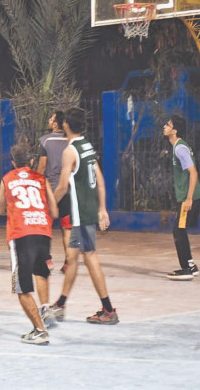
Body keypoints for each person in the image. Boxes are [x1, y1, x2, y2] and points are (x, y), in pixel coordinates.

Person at [51, 107, 119, 325]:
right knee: (72, 259)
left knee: (90, 258)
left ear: (66, 126)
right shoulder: (87, 146)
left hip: (80, 215)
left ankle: (108, 310)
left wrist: (46, 206)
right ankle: (60, 304)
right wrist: (102, 208)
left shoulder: (70, 151)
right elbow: (100, 179)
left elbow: (62, 187)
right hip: (87, 212)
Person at [0, 142, 59, 345]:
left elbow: (0, 210)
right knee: (41, 272)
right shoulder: (41, 179)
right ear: (32, 161)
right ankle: (45, 307)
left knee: (22, 288)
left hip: (22, 233)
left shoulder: (7, 179)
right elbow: (55, 212)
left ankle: (39, 331)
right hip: (43, 231)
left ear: (13, 162)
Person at [163, 115, 200, 280]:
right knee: (180, 230)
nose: (164, 126)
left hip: (188, 197)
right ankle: (190, 265)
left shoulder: (180, 148)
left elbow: (193, 172)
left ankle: (187, 267)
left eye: (168, 124)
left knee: (178, 230)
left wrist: (189, 198)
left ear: (175, 130)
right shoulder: (176, 147)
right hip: (186, 196)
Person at [37, 110, 72, 273]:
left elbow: (42, 166)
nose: (48, 121)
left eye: (51, 119)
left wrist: (37, 182)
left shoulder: (44, 141)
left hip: (50, 189)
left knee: (45, 226)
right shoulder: (69, 141)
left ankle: (47, 259)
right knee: (66, 227)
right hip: (66, 189)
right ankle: (68, 262)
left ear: (55, 124)